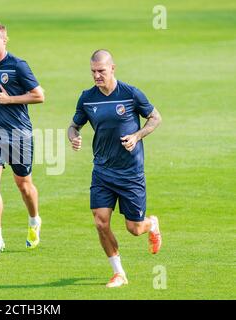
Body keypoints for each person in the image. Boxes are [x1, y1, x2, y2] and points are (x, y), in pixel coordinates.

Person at [68, 49, 162, 288]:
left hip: (130, 173)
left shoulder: (130, 94)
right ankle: (119, 273)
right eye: (93, 72)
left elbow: (155, 118)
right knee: (100, 222)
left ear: (113, 68)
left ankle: (151, 224)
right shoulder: (87, 98)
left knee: (134, 228)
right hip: (102, 171)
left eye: (101, 71)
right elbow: (73, 125)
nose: (97, 76)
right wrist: (74, 136)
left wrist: (137, 136)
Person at [0, 23, 45, 258]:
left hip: (19, 133)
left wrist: (10, 100)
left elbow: (39, 95)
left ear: (5, 40)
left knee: (23, 185)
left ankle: (34, 220)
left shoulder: (18, 65)